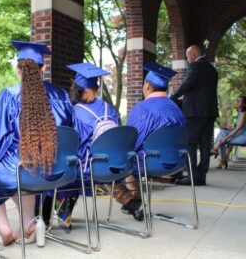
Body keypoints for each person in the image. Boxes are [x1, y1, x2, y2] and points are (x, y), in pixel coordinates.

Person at [0, 41, 76, 248]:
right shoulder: (62, 96)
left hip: (23, 170)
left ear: (18, 69)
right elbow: (73, 134)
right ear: (43, 68)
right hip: (57, 170)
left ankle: (4, 228)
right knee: (28, 164)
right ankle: (30, 224)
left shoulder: (9, 96)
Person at [54, 62, 120, 227]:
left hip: (86, 169)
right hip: (111, 165)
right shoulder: (110, 110)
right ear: (96, 88)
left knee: (62, 163)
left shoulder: (75, 112)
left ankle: (62, 213)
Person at [123, 62, 186, 220]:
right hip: (177, 162)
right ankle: (136, 203)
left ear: (148, 85)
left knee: (123, 157)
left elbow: (132, 142)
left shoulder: (142, 108)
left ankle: (134, 202)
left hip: (151, 163)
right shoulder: (177, 109)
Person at [171, 45, 218, 186]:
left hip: (196, 112)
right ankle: (201, 177)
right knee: (204, 144)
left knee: (189, 142)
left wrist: (173, 97)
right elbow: (201, 89)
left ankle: (192, 176)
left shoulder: (196, 66)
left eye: (187, 56)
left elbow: (187, 84)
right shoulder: (212, 69)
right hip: (210, 111)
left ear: (193, 54)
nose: (187, 59)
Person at [211, 96, 246, 169]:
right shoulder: (239, 113)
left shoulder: (243, 114)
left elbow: (238, 129)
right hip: (239, 134)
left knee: (222, 140)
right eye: (236, 100)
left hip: (243, 137)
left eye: (239, 101)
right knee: (223, 131)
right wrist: (231, 127)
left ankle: (218, 154)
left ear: (244, 104)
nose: (236, 102)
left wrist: (226, 137)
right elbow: (238, 127)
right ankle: (219, 155)